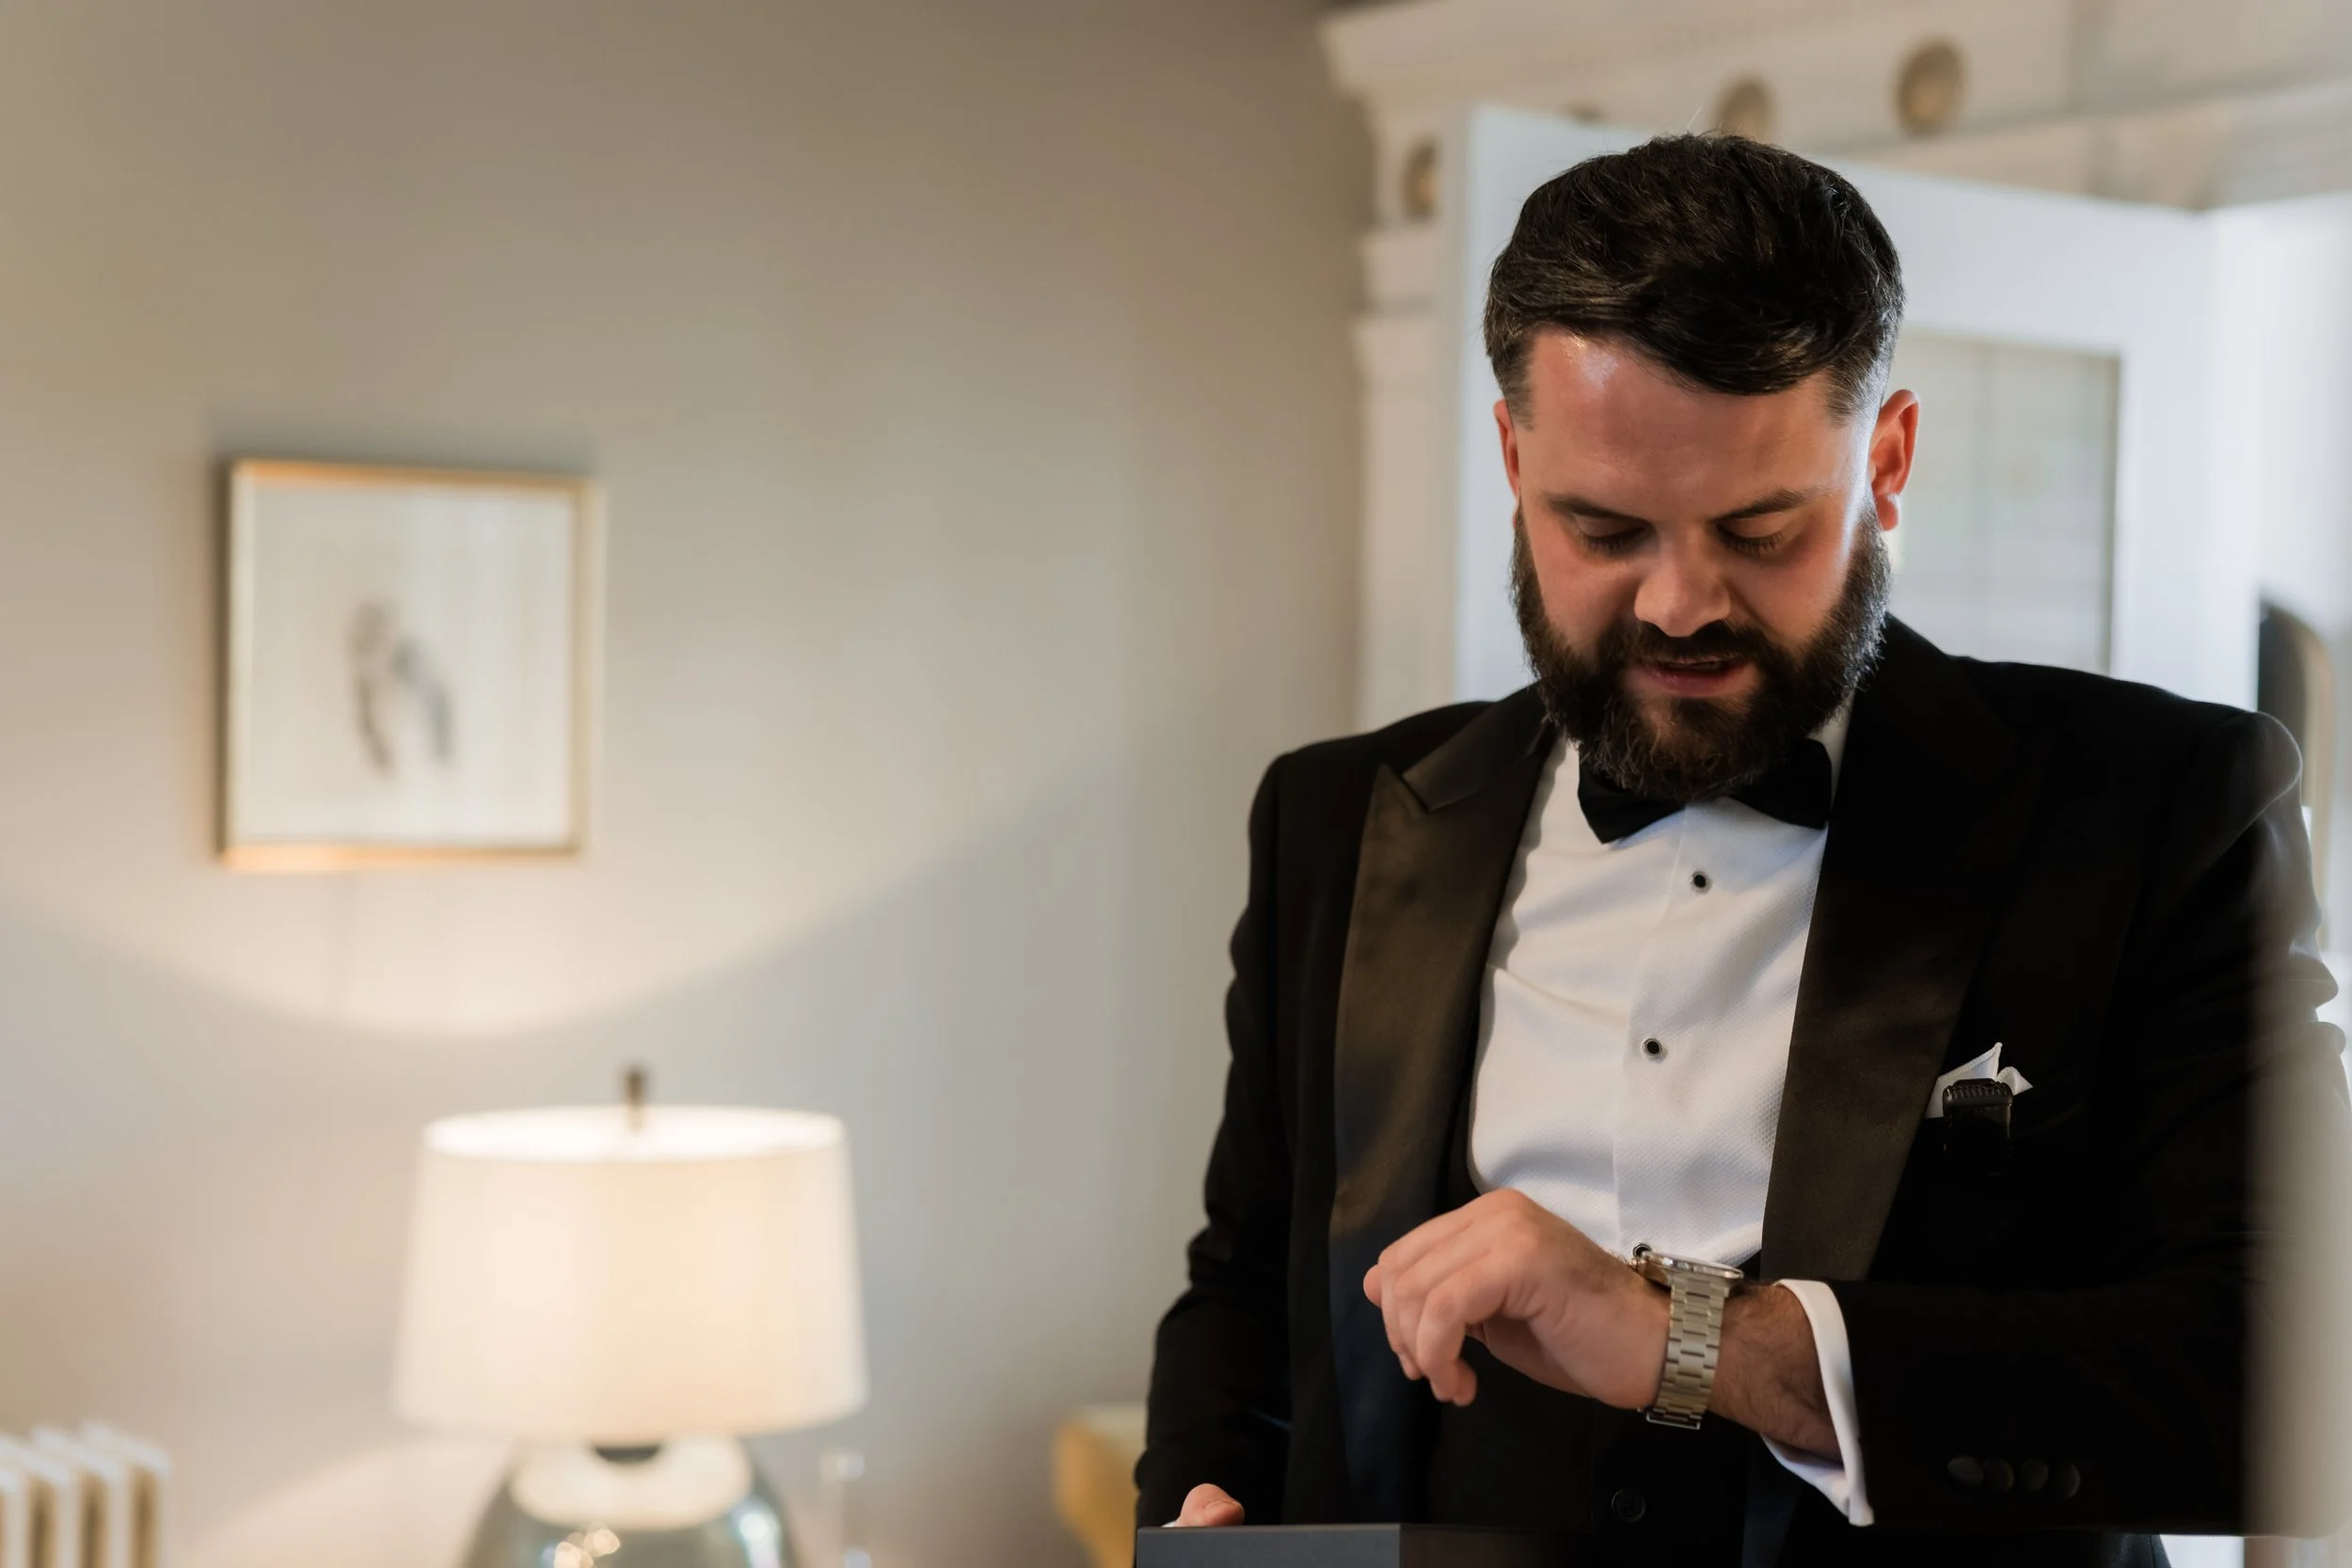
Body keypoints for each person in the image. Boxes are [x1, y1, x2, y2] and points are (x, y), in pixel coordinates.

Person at [1136, 133, 2345, 1564]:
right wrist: (1204, 1508)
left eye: (1760, 527)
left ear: (1887, 461)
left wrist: (1692, 1341)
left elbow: (2289, 1372)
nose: (1683, 601)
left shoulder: (2156, 807)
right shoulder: (1337, 815)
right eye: (1603, 527)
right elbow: (1250, 1285)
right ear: (1514, 460)